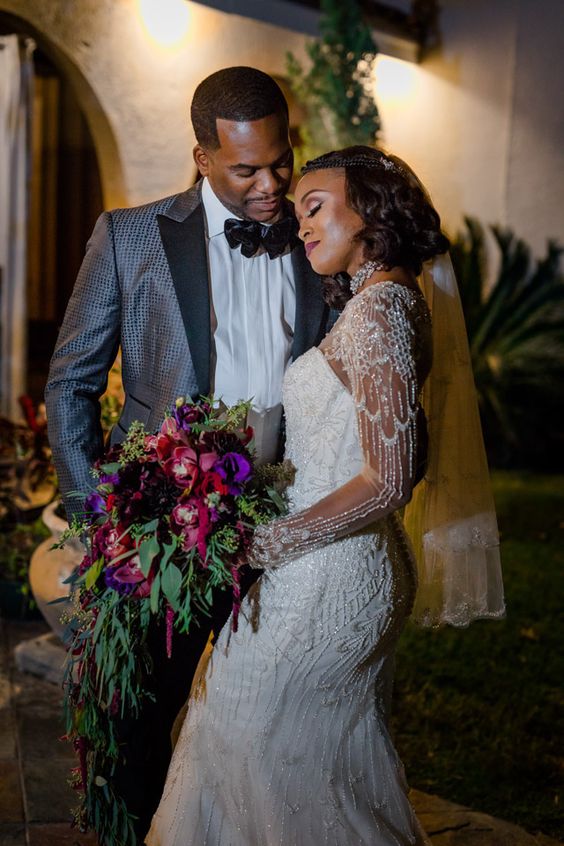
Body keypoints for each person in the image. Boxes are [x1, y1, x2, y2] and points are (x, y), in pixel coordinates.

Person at [146, 146, 505, 845]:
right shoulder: (386, 303)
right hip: (324, 565)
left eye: (314, 207)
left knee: (256, 745)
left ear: (369, 211)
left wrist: (265, 543)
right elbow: (376, 450)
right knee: (279, 753)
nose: (300, 224)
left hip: (330, 577)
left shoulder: (380, 314)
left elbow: (391, 478)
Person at [45, 67, 329, 841]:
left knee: (258, 733)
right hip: (163, 531)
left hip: (286, 522)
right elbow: (70, 384)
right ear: (202, 156)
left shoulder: (315, 235)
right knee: (139, 725)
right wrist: (99, 522)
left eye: (282, 159)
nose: (272, 183)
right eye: (247, 169)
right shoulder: (130, 236)